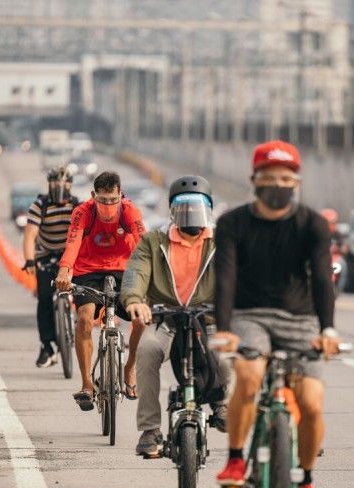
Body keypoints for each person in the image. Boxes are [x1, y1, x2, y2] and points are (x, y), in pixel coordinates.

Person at [212, 140, 342, 488]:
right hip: (250, 316)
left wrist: (327, 330)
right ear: (254, 180)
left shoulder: (313, 225)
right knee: (249, 377)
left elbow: (322, 278)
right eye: (270, 178)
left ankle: (305, 482)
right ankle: (236, 456)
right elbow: (225, 279)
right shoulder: (232, 223)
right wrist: (223, 330)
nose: (278, 184)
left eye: (286, 178)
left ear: (297, 182)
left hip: (300, 319)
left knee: (312, 402)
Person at [120, 175, 230, 456]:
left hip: (209, 319)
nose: (190, 216)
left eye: (197, 208)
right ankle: (150, 430)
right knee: (146, 350)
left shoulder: (223, 241)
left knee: (227, 351)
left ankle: (221, 404)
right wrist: (134, 301)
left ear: (208, 209)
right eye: (183, 209)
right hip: (167, 320)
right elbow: (136, 273)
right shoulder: (153, 242)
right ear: (172, 211)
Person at [55, 171, 146, 410]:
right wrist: (65, 270)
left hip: (124, 268)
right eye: (102, 200)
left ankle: (130, 366)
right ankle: (87, 384)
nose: (107, 206)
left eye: (112, 200)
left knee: (141, 317)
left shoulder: (130, 212)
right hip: (88, 270)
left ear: (120, 195)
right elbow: (73, 242)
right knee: (84, 319)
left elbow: (143, 243)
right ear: (93, 195)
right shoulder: (82, 212)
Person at [22, 166, 80, 368]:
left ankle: (81, 327)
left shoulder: (77, 206)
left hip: (70, 257)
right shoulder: (40, 205)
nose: (59, 186)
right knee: (44, 297)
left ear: (70, 185)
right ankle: (46, 345)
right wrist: (30, 261)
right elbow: (30, 235)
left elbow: (86, 233)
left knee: (84, 293)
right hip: (46, 256)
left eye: (64, 182)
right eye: (55, 182)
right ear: (49, 185)